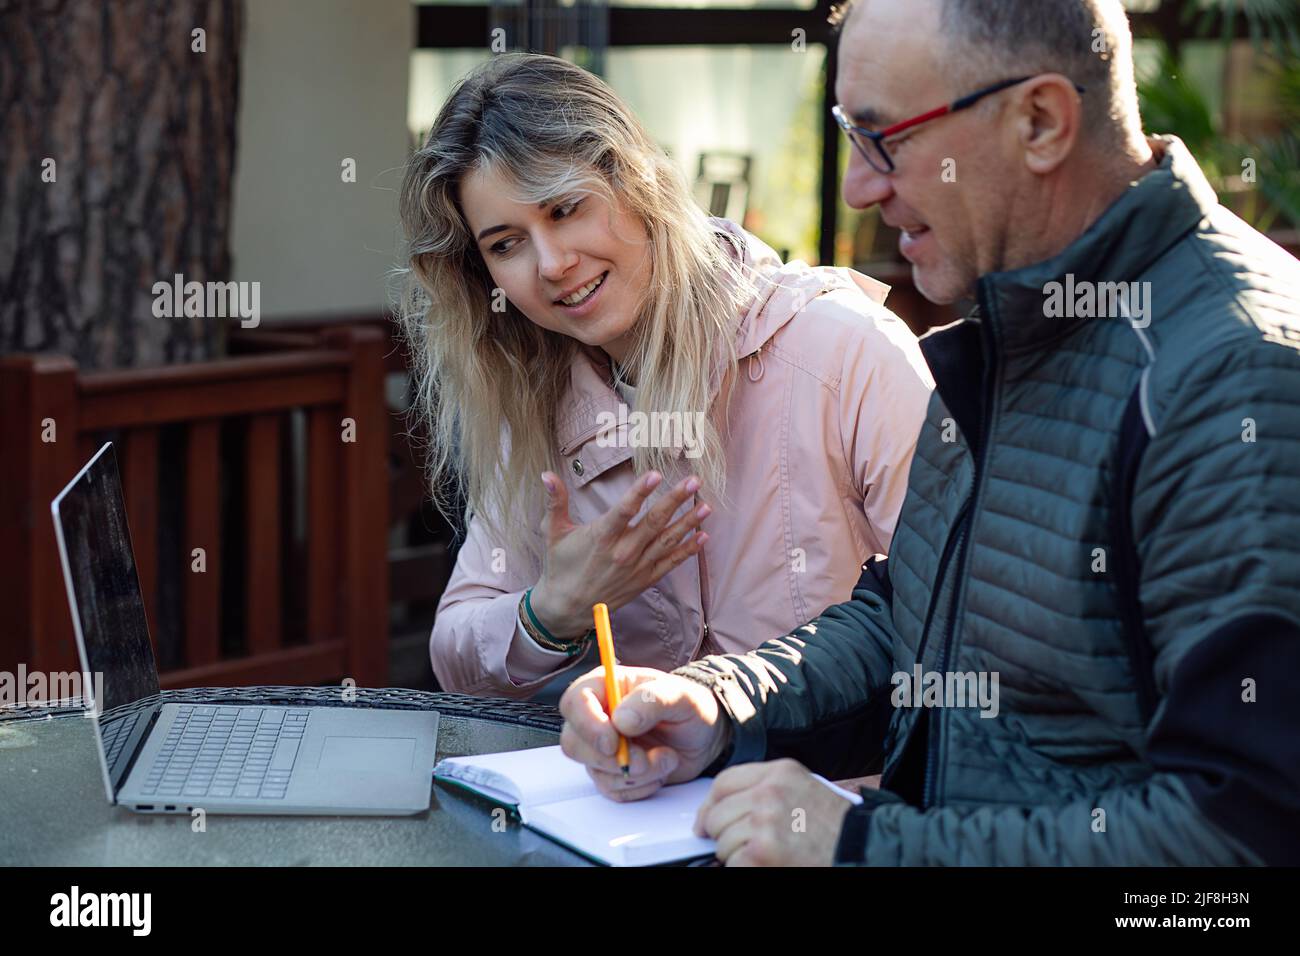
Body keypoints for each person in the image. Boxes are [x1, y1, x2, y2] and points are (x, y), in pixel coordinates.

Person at [558, 0, 1300, 865]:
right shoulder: (1013, 318)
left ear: (1040, 120)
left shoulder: (1236, 375)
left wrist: (868, 847)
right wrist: (723, 708)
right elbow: (908, 618)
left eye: (885, 138)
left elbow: (1242, 846)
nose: (857, 187)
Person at [396, 53, 933, 700]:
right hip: (628, 793)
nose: (552, 263)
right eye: (506, 244)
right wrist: (552, 612)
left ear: (638, 182)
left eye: (565, 209)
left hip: (830, 795)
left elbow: (956, 623)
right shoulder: (533, 399)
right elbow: (456, 653)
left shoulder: (846, 352)